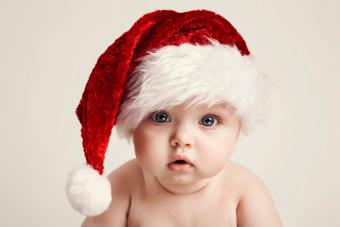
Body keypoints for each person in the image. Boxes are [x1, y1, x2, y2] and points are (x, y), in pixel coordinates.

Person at [66, 9, 283, 227]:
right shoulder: (125, 186)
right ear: (133, 125)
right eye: (161, 117)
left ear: (237, 130)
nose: (182, 138)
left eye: (208, 120)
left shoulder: (243, 191)